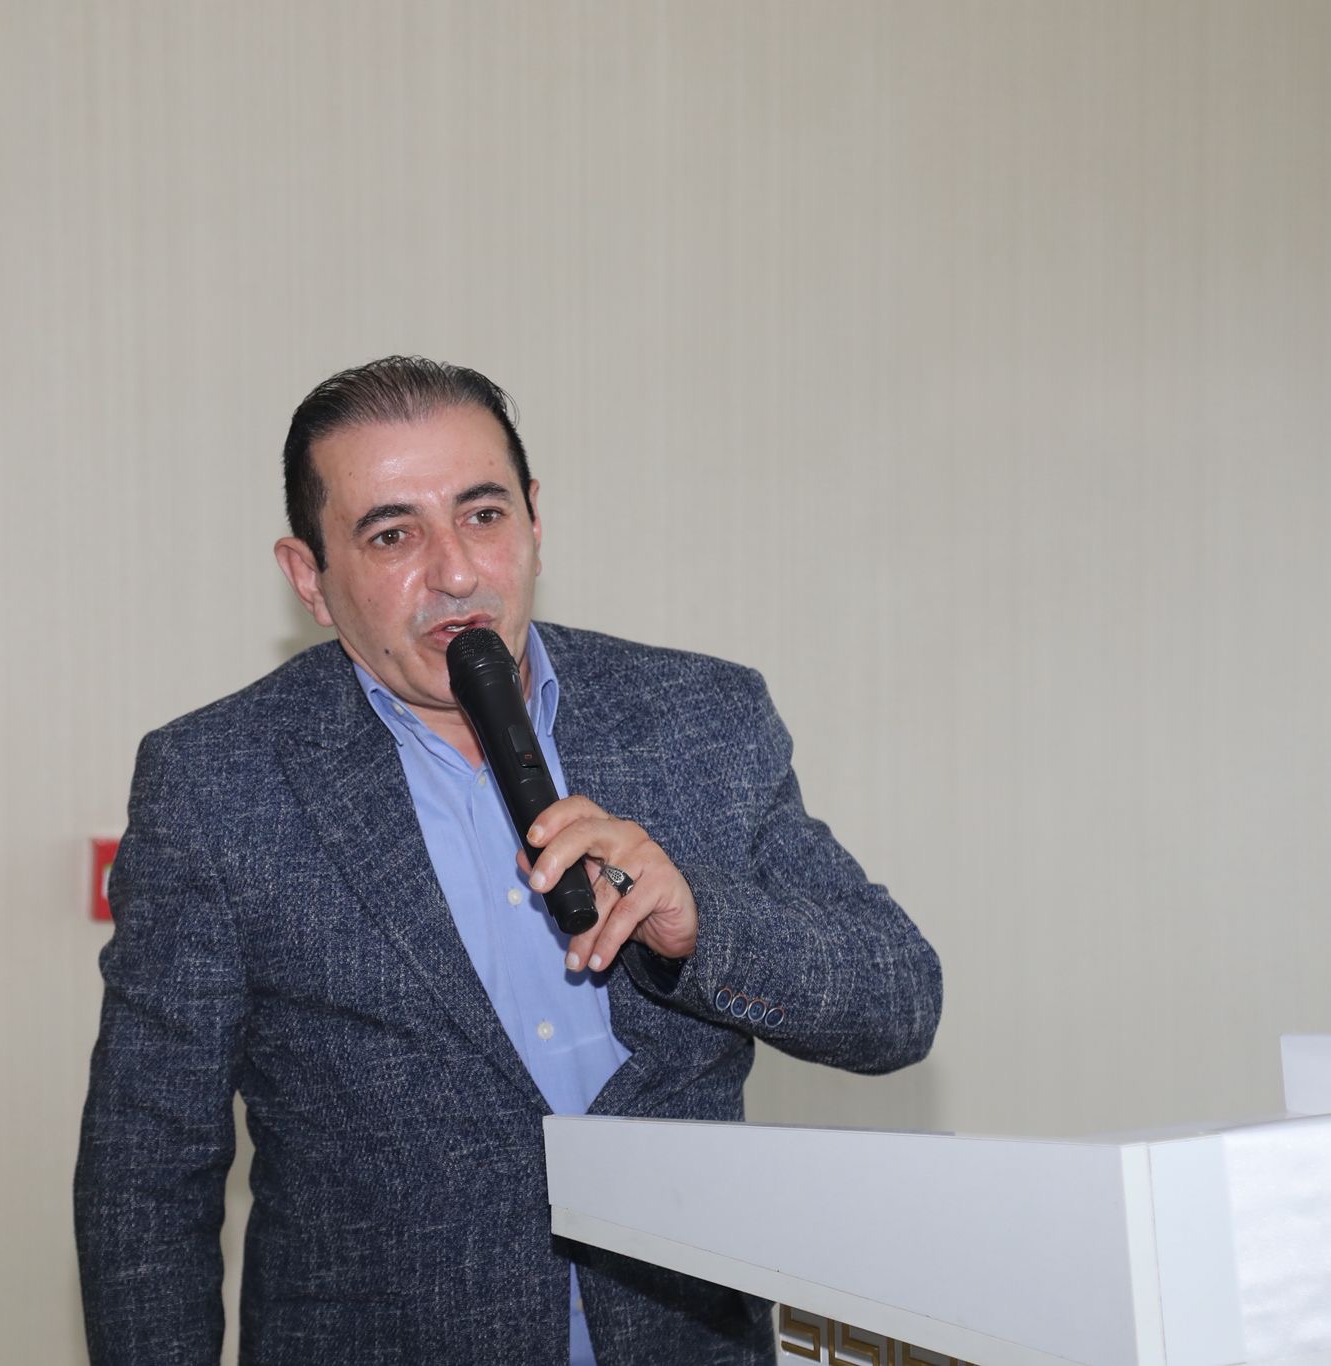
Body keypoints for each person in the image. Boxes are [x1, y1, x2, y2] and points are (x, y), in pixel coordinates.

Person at [75, 357, 943, 1365]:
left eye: (482, 515)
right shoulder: (216, 781)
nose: (455, 572)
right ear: (308, 576)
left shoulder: (700, 718)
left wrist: (700, 926)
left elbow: (898, 1001)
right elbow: (145, 1175)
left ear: (534, 519)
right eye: (392, 534)